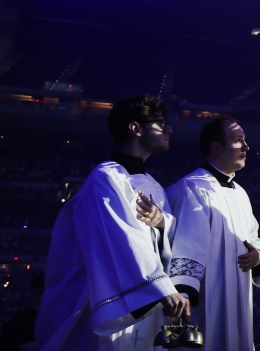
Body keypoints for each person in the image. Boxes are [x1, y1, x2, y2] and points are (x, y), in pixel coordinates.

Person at [36, 94, 190, 350]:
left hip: (151, 301)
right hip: (114, 301)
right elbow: (122, 240)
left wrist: (164, 224)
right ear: (135, 128)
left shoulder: (154, 186)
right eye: (160, 123)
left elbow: (169, 239)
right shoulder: (106, 178)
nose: (168, 129)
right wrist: (162, 288)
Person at [165, 117, 260, 351]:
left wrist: (258, 255)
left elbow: (255, 237)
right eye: (238, 141)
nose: (246, 147)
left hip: (240, 295)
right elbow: (185, 245)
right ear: (216, 147)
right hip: (207, 298)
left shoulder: (240, 193)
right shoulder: (192, 187)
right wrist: (184, 294)